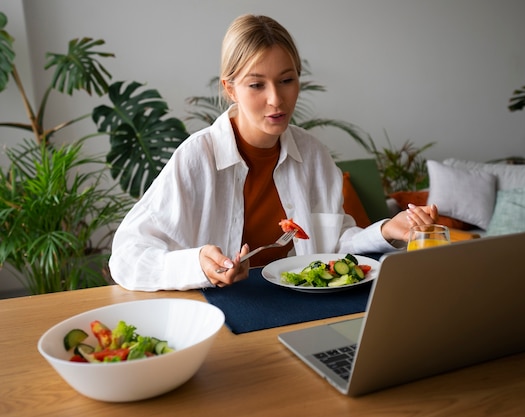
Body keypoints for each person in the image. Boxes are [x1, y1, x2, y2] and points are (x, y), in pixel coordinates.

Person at [108, 14, 437, 291]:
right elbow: (127, 255)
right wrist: (197, 265)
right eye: (256, 85)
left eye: (286, 80)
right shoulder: (198, 157)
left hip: (304, 309)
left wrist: (386, 230)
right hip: (226, 317)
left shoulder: (313, 154)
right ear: (229, 88)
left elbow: (334, 243)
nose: (276, 100)